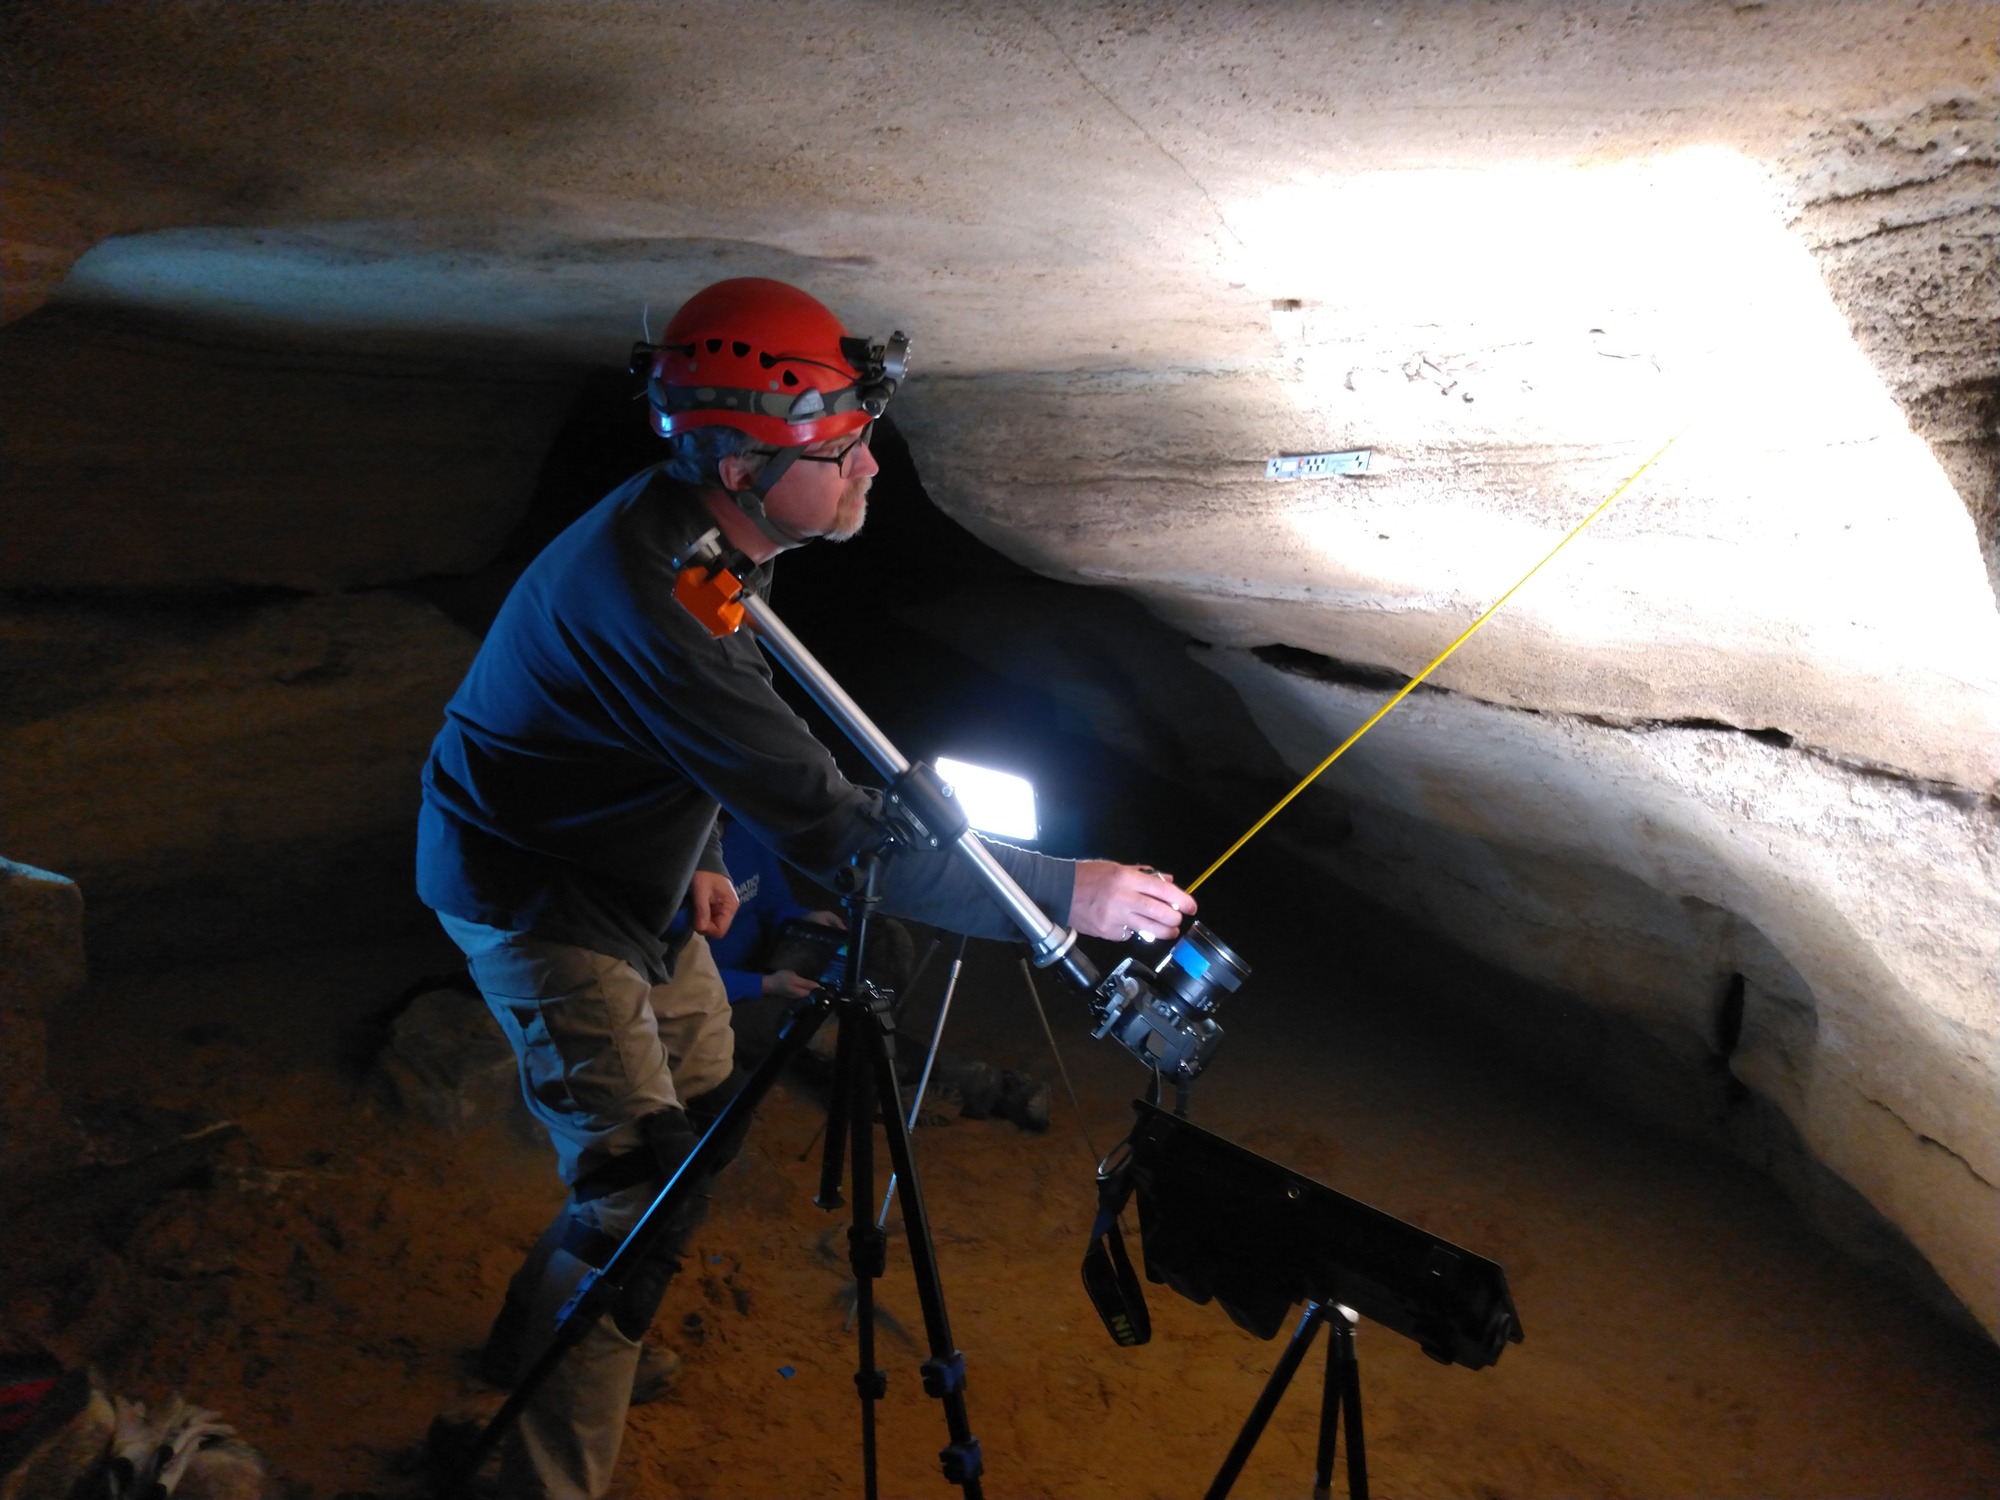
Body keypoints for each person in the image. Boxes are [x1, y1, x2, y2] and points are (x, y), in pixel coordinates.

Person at [414, 277, 1193, 1499]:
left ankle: (538, 1345)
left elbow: (699, 733)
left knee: (707, 1101)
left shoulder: (704, 540)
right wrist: (1069, 893)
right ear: (735, 466)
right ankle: (536, 1473)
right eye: (837, 451)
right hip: (540, 895)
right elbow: (837, 831)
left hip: (633, 875)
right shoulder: (648, 593)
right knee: (638, 1194)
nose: (869, 469)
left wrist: (707, 853)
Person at [691, 816, 1053, 1130]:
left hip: (771, 957)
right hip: (721, 995)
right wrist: (766, 984)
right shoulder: (680, 859)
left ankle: (866, 1060)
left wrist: (802, 918)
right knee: (819, 1019)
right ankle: (989, 1088)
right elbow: (677, 978)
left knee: (885, 941)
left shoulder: (740, 832)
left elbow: (773, 901)